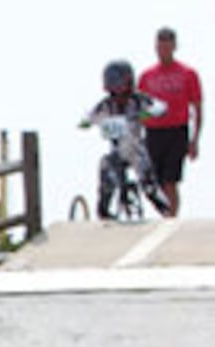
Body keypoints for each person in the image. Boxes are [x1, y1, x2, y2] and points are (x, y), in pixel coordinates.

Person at [82, 60, 172, 219]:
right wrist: (87, 122)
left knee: (148, 184)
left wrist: (148, 113)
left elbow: (160, 106)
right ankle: (103, 209)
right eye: (112, 85)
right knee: (105, 169)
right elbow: (90, 114)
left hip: (136, 148)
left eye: (119, 84)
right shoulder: (106, 105)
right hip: (116, 150)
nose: (116, 90)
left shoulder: (138, 100)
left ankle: (166, 210)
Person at [139, 26, 202, 218]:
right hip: (153, 132)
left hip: (177, 130)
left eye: (167, 46)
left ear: (174, 47)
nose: (163, 50)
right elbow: (139, 107)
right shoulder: (147, 76)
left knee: (170, 180)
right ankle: (164, 214)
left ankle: (171, 219)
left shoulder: (188, 73)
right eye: (160, 46)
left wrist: (194, 140)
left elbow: (197, 107)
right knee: (154, 182)